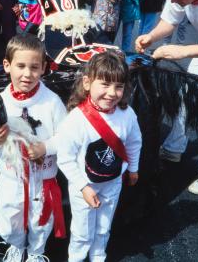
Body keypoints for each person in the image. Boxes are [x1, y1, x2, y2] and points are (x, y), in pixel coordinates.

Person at [135, 0, 198, 195]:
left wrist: (183, 51)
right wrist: (150, 36)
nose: (174, 1)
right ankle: (174, 147)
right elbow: (169, 21)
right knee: (186, 95)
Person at [0, 34, 67, 262]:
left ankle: (36, 252)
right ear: (7, 65)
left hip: (43, 180)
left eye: (34, 67)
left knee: (41, 221)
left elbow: (69, 137)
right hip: (12, 178)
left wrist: (46, 147)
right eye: (20, 66)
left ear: (43, 69)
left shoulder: (51, 102)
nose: (27, 74)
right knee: (9, 220)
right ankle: (16, 245)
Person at [56, 51, 142, 262]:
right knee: (82, 231)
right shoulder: (76, 120)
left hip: (112, 184)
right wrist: (83, 187)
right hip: (84, 185)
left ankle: (98, 256)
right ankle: (76, 258)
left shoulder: (127, 114)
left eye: (119, 86)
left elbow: (133, 142)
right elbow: (65, 159)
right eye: (104, 84)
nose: (112, 93)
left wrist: (133, 169)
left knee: (104, 226)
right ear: (87, 83)